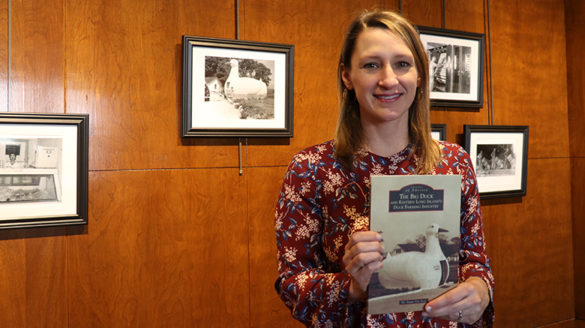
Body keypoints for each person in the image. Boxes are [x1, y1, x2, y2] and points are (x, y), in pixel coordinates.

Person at [274, 9, 494, 327]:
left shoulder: (453, 161)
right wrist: (351, 286)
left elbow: (474, 260)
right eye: (371, 64)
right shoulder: (310, 169)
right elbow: (291, 284)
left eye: (402, 64)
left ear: (420, 77)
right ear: (347, 76)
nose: (388, 79)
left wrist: (480, 289)